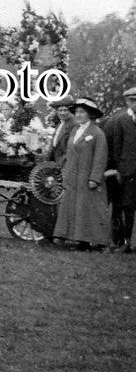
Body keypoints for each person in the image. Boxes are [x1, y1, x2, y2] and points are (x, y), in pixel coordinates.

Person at [54, 98, 111, 250]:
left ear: (90, 115)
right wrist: (65, 173)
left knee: (89, 209)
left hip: (87, 178)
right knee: (75, 207)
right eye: (77, 112)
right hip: (73, 177)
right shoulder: (75, 130)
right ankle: (77, 239)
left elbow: (100, 158)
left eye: (82, 112)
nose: (78, 115)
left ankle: (93, 242)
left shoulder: (97, 133)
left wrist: (94, 178)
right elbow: (70, 154)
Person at [103, 86, 136, 252]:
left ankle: (127, 242)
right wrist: (116, 169)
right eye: (132, 101)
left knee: (129, 206)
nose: (135, 104)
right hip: (124, 172)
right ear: (127, 102)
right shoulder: (120, 120)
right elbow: (116, 147)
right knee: (122, 206)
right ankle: (122, 241)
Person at [47, 98, 75, 165]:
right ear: (57, 112)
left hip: (66, 163)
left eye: (65, 110)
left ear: (70, 111)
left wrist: (62, 161)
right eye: (60, 110)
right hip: (57, 161)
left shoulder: (73, 124)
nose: (63, 113)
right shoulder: (60, 124)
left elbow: (72, 148)